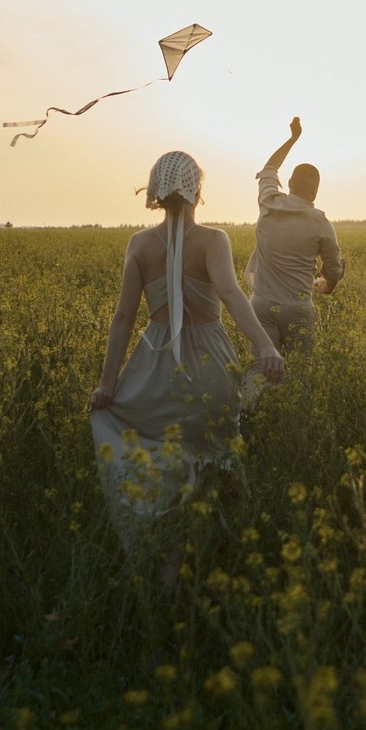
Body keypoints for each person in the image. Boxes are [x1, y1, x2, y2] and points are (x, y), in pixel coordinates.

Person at [90, 151, 284, 557]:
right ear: (197, 191)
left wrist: (108, 385)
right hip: (209, 362)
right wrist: (265, 346)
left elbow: (124, 317)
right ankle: (228, 548)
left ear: (157, 191)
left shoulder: (140, 244)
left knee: (160, 458)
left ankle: (168, 551)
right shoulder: (214, 240)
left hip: (154, 366)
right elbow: (231, 295)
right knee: (218, 449)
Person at [246, 116, 344, 356]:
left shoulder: (269, 202)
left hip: (261, 305)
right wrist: (328, 282)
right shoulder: (321, 224)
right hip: (297, 309)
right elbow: (333, 273)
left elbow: (269, 168)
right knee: (300, 376)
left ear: (288, 182)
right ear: (315, 191)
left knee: (260, 371)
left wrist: (293, 139)